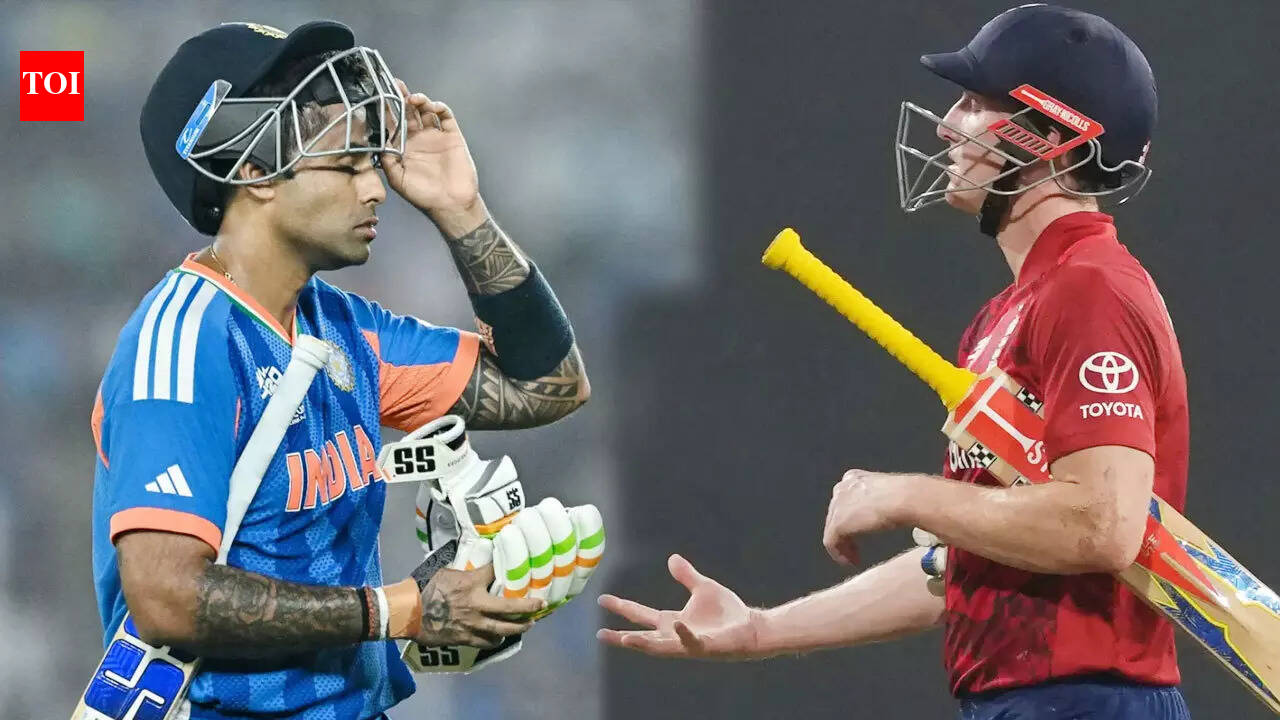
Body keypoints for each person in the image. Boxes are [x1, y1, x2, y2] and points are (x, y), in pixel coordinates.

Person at [598, 6, 1192, 719]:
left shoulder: (1090, 289)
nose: (947, 125)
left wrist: (905, 496)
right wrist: (759, 630)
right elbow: (960, 569)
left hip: (1085, 701)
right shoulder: (1007, 315)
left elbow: (1104, 524)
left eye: (976, 103)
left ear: (1053, 140)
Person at [90, 20, 590, 719]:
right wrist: (402, 609)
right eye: (349, 165)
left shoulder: (346, 326)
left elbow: (549, 386)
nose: (378, 188)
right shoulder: (181, 341)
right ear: (253, 172)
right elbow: (166, 597)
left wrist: (461, 209)